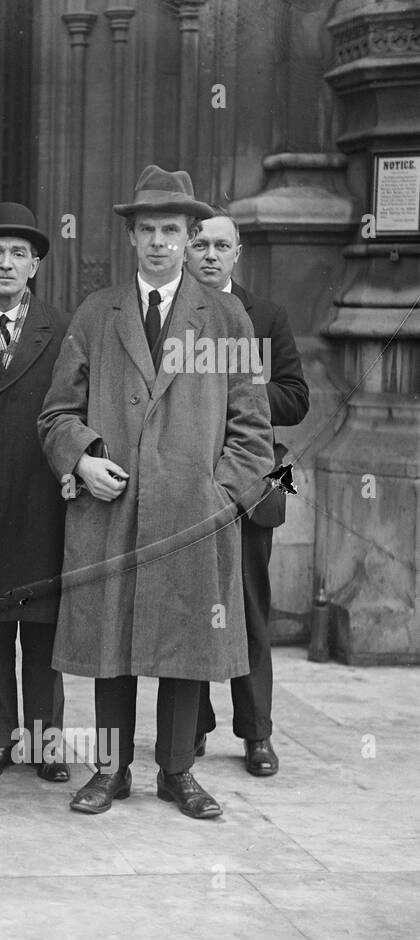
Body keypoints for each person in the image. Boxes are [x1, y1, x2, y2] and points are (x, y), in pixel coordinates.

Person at [39, 165, 273, 820]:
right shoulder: (96, 313)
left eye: (172, 230)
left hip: (192, 515)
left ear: (190, 234)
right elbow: (56, 414)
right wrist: (82, 458)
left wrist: (218, 494)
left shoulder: (226, 318)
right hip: (111, 508)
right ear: (131, 237)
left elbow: (253, 430)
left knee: (184, 645)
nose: (160, 243)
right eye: (147, 230)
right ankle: (110, 773)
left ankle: (177, 773)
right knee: (110, 645)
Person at [186, 208, 309, 776]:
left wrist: (241, 388)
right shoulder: (169, 316)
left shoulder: (266, 315)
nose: (209, 255)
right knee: (189, 612)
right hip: (187, 487)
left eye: (220, 246)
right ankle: (191, 727)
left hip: (252, 484)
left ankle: (256, 733)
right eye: (200, 245)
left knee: (251, 610)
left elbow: (296, 396)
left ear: (238, 255)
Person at [0, 203, 71, 784]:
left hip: (41, 502)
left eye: (19, 254)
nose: (6, 264)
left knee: (44, 631)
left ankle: (46, 744)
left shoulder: (61, 329)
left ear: (35, 265)